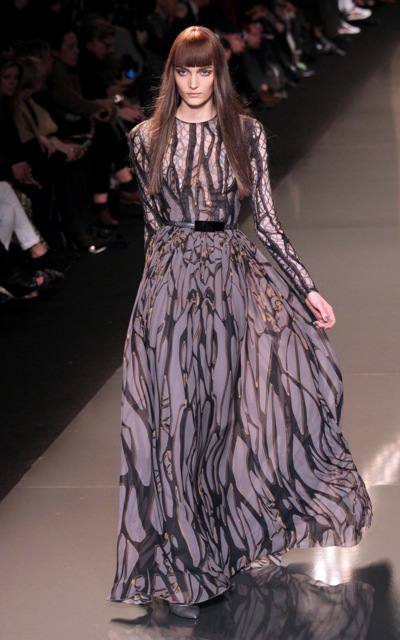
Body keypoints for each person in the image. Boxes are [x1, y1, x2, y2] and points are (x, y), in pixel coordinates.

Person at [109, 26, 372, 620]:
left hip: (231, 281)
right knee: (175, 422)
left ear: (218, 74)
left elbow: (269, 223)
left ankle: (233, 539)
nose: (193, 82)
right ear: (172, 74)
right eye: (184, 71)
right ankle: (182, 564)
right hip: (170, 289)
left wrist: (307, 287)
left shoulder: (245, 133)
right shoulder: (145, 138)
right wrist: (148, 310)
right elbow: (152, 229)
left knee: (231, 415)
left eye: (204, 71)